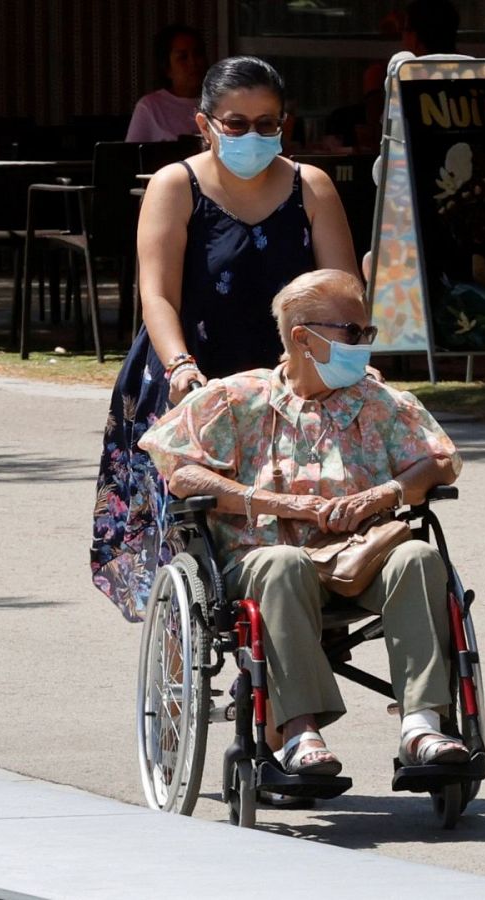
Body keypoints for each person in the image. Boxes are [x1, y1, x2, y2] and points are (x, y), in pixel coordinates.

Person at [139, 269, 469, 774]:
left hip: (358, 560)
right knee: (282, 563)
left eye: (368, 333)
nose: (364, 346)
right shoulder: (235, 399)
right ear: (302, 337)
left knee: (418, 556)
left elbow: (439, 461)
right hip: (262, 565)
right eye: (353, 333)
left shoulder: (378, 403)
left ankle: (421, 724)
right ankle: (297, 732)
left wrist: (382, 494)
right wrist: (278, 504)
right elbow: (180, 473)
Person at [92, 56, 360, 620]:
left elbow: (341, 293)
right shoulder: (176, 185)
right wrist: (181, 367)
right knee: (193, 528)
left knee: (301, 513)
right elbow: (158, 296)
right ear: (204, 123)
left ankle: (291, 627)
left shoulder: (311, 187)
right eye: (235, 123)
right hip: (195, 373)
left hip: (288, 381)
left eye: (267, 124)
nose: (251, 135)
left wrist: (347, 357)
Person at [126, 25, 209, 142]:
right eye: (183, 57)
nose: (193, 63)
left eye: (198, 54)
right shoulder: (150, 107)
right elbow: (130, 156)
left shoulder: (220, 102)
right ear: (167, 68)